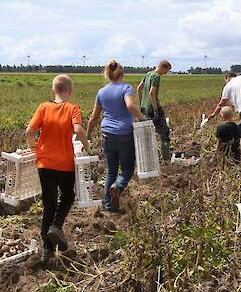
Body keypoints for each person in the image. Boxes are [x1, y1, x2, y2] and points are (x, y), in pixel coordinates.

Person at [26, 74, 89, 262]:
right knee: (68, 196)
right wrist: (87, 145)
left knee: (49, 205)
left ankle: (47, 251)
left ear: (53, 90)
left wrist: (33, 147)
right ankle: (56, 226)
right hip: (65, 164)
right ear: (69, 91)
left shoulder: (43, 107)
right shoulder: (73, 108)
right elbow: (78, 130)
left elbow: (29, 131)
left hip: (44, 164)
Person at [87, 61, 144, 212]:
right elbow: (130, 106)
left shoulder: (101, 92)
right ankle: (117, 188)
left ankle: (107, 204)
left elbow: (94, 117)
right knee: (127, 169)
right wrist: (142, 119)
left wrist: (87, 134)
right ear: (122, 74)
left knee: (111, 170)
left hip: (106, 133)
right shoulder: (126, 88)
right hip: (124, 134)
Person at [137, 60, 172, 160]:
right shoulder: (156, 76)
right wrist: (156, 110)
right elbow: (152, 93)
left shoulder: (148, 74)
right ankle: (166, 158)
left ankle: (147, 156)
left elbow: (139, 88)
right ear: (163, 67)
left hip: (145, 108)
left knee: (147, 132)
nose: (166, 73)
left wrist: (141, 103)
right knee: (164, 132)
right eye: (167, 71)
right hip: (153, 108)